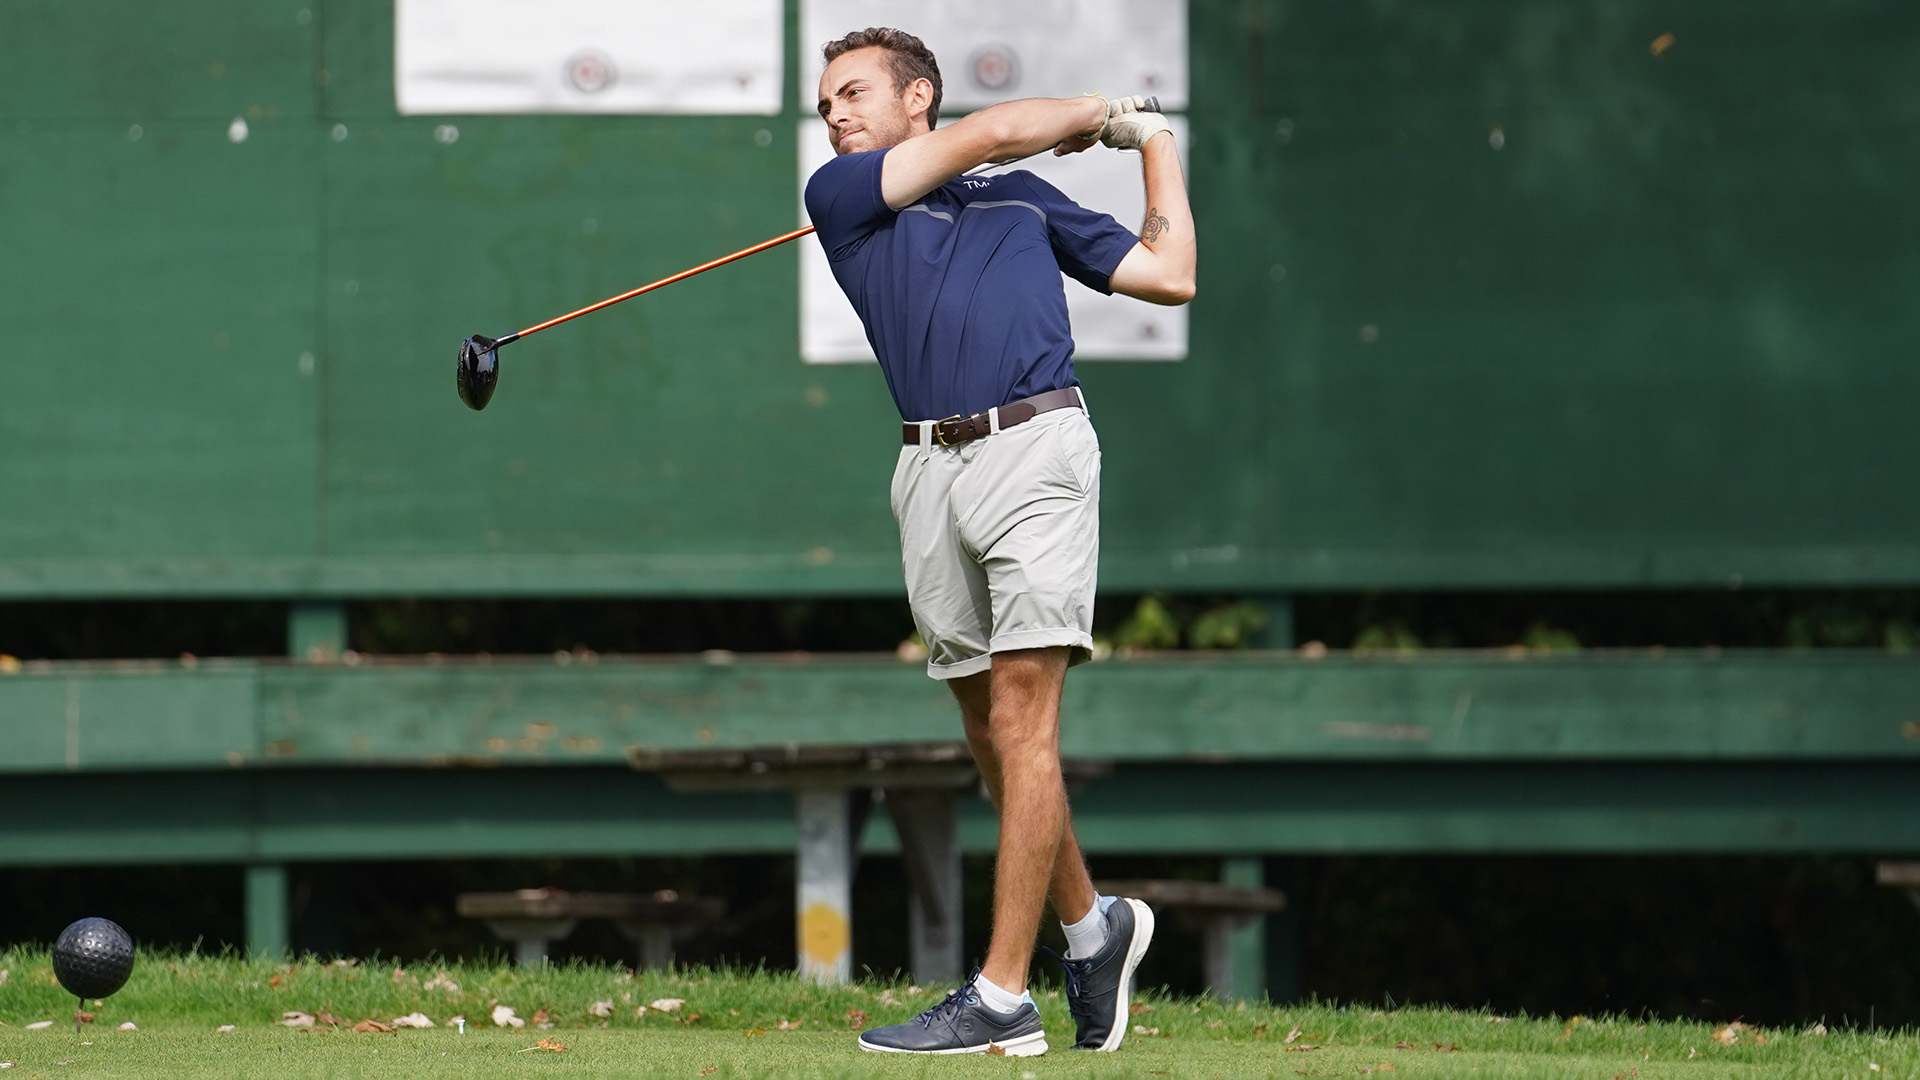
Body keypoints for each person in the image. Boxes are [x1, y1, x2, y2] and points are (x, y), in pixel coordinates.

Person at [804, 27, 1196, 1057]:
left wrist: (1152, 141)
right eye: (824, 104)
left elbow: (1168, 275)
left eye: (850, 95)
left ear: (915, 95)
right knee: (988, 733)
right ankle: (1092, 930)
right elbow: (1004, 130)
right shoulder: (842, 198)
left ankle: (1002, 994)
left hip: (1038, 450)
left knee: (1024, 718)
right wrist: (1100, 113)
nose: (834, 115)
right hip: (927, 470)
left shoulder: (1022, 200)